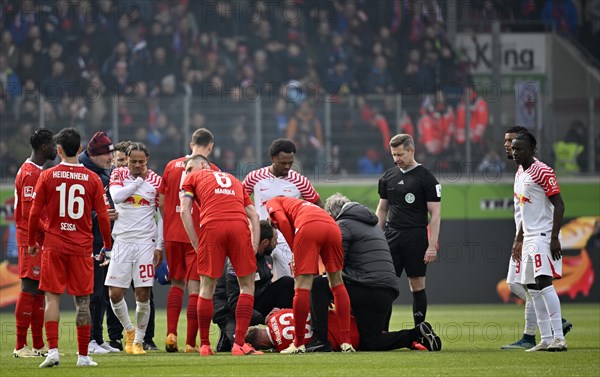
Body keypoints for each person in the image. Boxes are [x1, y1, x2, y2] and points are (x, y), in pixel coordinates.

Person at [308, 193, 441, 352]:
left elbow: (336, 265)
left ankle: (320, 341)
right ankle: (416, 334)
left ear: (331, 215)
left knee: (317, 284)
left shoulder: (342, 225)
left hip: (365, 287)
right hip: (385, 292)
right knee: (370, 342)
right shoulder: (371, 225)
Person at [28, 127, 113, 367]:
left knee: (52, 300)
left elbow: (34, 212)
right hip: (81, 248)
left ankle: (53, 351)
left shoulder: (47, 175)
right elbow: (104, 216)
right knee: (82, 302)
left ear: (58, 149)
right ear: (80, 148)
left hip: (54, 245)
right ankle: (83, 356)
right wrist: (107, 245)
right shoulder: (93, 178)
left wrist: (32, 241)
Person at [180, 154, 263, 356]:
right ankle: (240, 344)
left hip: (212, 226)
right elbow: (254, 215)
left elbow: (184, 210)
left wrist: (195, 243)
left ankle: (206, 345)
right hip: (239, 227)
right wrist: (253, 243)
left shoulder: (191, 179)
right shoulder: (234, 180)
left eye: (190, 168)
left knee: (207, 287)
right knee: (247, 286)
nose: (187, 173)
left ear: (202, 165)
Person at [500, 126, 572, 350]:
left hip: (543, 235)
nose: (516, 153)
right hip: (528, 236)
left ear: (531, 149)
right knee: (531, 287)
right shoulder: (520, 173)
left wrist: (554, 238)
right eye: (514, 149)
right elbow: (523, 210)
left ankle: (559, 337)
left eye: (520, 149)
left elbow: (559, 204)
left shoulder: (543, 171)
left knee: (544, 284)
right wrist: (519, 238)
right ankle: (547, 339)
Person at [265, 196, 354, 354]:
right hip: (332, 227)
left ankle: (298, 343)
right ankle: (346, 342)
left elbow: (283, 222)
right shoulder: (298, 204)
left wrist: (295, 249)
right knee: (337, 282)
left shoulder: (273, 202)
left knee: (302, 286)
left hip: (309, 227)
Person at [159, 128, 217, 353]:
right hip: (196, 234)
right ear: (210, 147)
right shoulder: (212, 170)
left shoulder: (171, 166)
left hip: (173, 232)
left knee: (176, 284)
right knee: (197, 288)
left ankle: (171, 333)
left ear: (190, 143)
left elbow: (162, 201)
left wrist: (171, 221)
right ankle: (190, 343)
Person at [375, 134, 441, 326]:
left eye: (400, 154)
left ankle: (419, 332)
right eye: (393, 155)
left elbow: (435, 214)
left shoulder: (426, 178)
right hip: (391, 236)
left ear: (412, 150)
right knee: (385, 285)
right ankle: (382, 332)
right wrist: (377, 237)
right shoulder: (388, 177)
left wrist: (431, 246)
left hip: (415, 236)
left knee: (416, 285)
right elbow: (382, 209)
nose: (396, 159)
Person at [105, 142, 164, 355]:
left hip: (144, 244)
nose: (137, 165)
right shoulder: (118, 174)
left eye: (141, 162)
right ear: (127, 160)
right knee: (115, 293)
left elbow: (162, 217)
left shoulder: (157, 181)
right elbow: (118, 197)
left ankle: (138, 341)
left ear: (147, 160)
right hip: (121, 242)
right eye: (133, 161)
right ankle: (129, 331)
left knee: (143, 294)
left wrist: (160, 245)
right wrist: (139, 180)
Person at [243, 139, 323, 280]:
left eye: (290, 163)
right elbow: (239, 200)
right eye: (283, 163)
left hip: (287, 241)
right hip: (260, 239)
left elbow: (319, 206)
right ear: (273, 158)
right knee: (257, 282)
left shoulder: (300, 181)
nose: (287, 167)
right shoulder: (254, 177)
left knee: (290, 283)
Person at [13, 128, 56, 358]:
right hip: (30, 239)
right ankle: (20, 346)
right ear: (43, 147)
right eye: (52, 145)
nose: (55, 150)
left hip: (38, 238)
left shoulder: (37, 170)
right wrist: (51, 230)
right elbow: (31, 212)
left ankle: (38, 345)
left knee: (39, 291)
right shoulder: (30, 173)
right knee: (29, 287)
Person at [77, 132, 121, 355]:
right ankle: (89, 342)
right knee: (93, 293)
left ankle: (98, 338)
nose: (110, 158)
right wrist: (99, 215)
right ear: (93, 155)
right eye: (107, 154)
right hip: (89, 242)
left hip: (105, 241)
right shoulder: (83, 174)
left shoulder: (105, 172)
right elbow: (77, 211)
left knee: (103, 292)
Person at [219, 220, 294, 349]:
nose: (277, 243)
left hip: (253, 301)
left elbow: (266, 286)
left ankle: (282, 329)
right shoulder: (238, 260)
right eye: (275, 240)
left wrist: (274, 312)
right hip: (230, 310)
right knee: (237, 345)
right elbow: (234, 303)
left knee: (287, 283)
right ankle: (226, 336)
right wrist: (263, 318)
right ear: (265, 242)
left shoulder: (264, 256)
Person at [246, 308, 359, 352]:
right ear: (258, 327)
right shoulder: (275, 315)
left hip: (348, 338)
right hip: (343, 317)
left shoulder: (282, 347)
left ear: (262, 345)